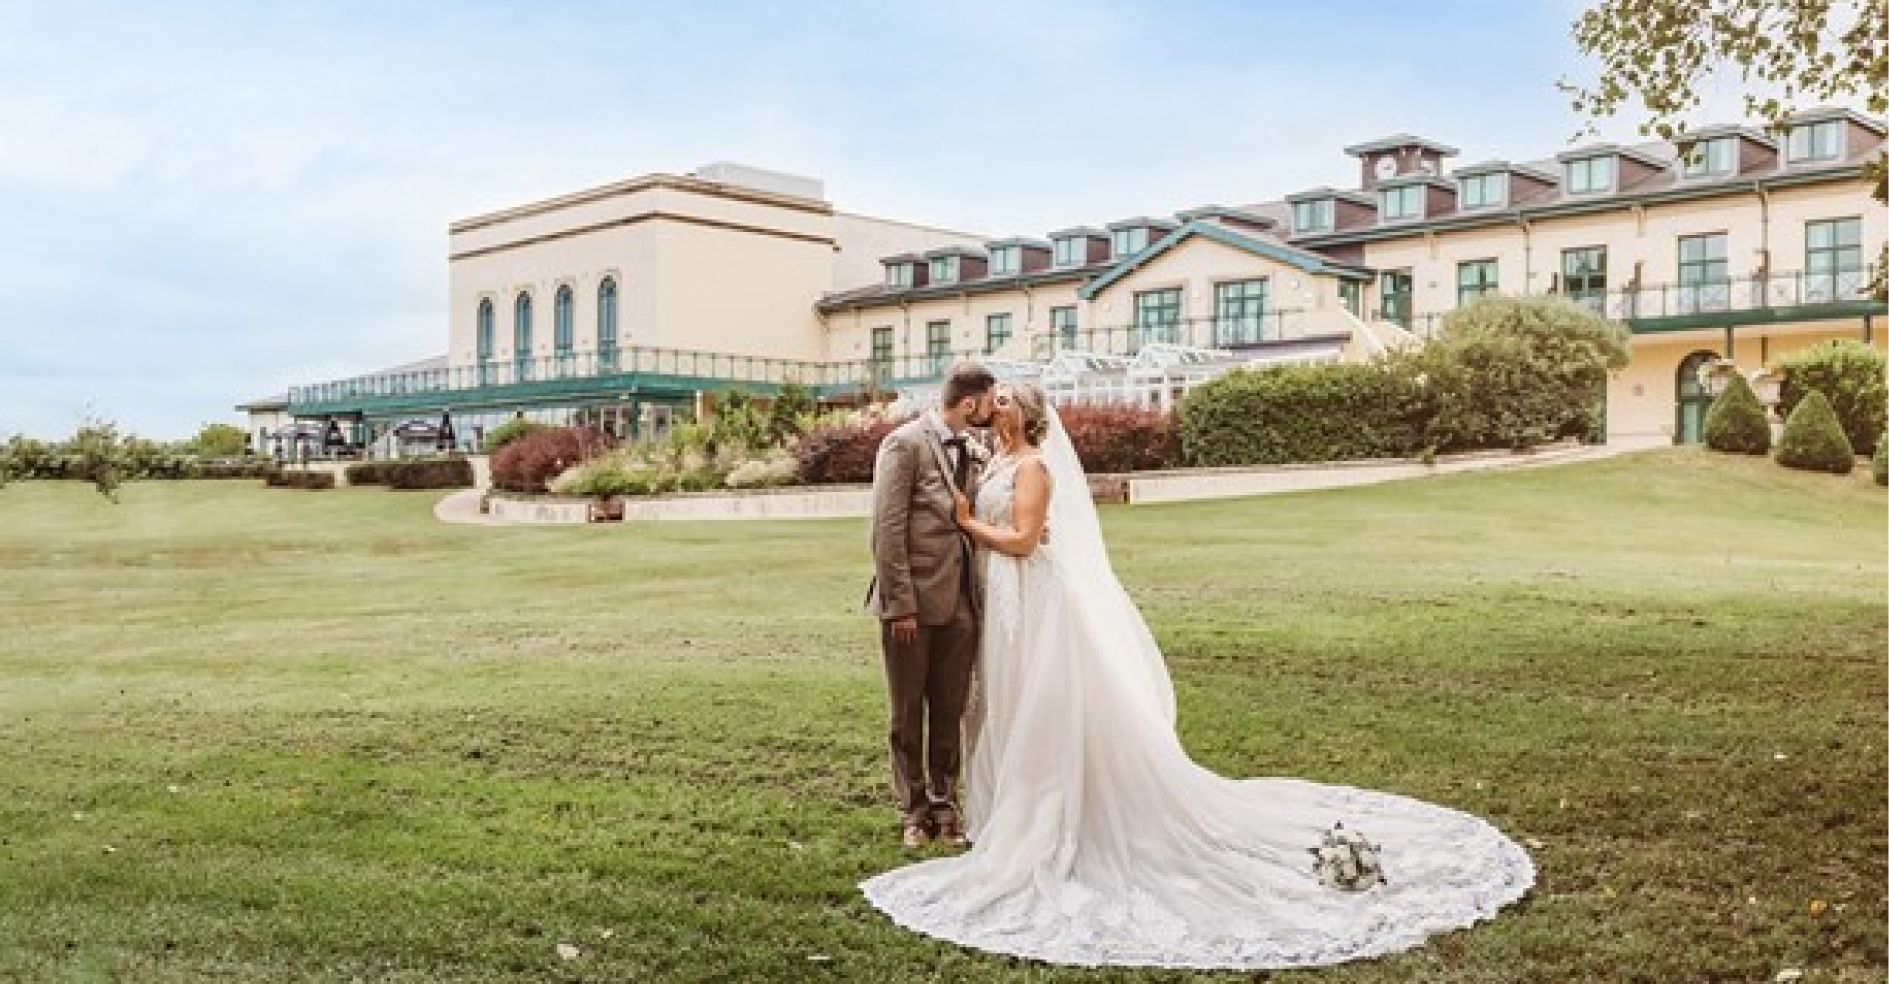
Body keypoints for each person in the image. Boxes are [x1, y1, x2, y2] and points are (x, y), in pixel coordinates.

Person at [860, 381, 1535, 971]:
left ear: (1025, 414)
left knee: (1044, 699)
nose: (990, 403)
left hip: (1032, 592)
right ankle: (1002, 805)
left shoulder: (1032, 465)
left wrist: (970, 522)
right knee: (1005, 703)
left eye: (1002, 397)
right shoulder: (993, 454)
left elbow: (1026, 540)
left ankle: (1053, 812)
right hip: (1001, 600)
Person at [866, 363, 997, 850]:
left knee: (950, 708)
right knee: (907, 713)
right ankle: (913, 810)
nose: (991, 409)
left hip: (961, 604)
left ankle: (946, 802)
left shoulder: (975, 449)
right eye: (989, 400)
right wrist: (900, 605)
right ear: (970, 403)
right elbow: (886, 530)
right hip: (913, 605)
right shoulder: (904, 445)